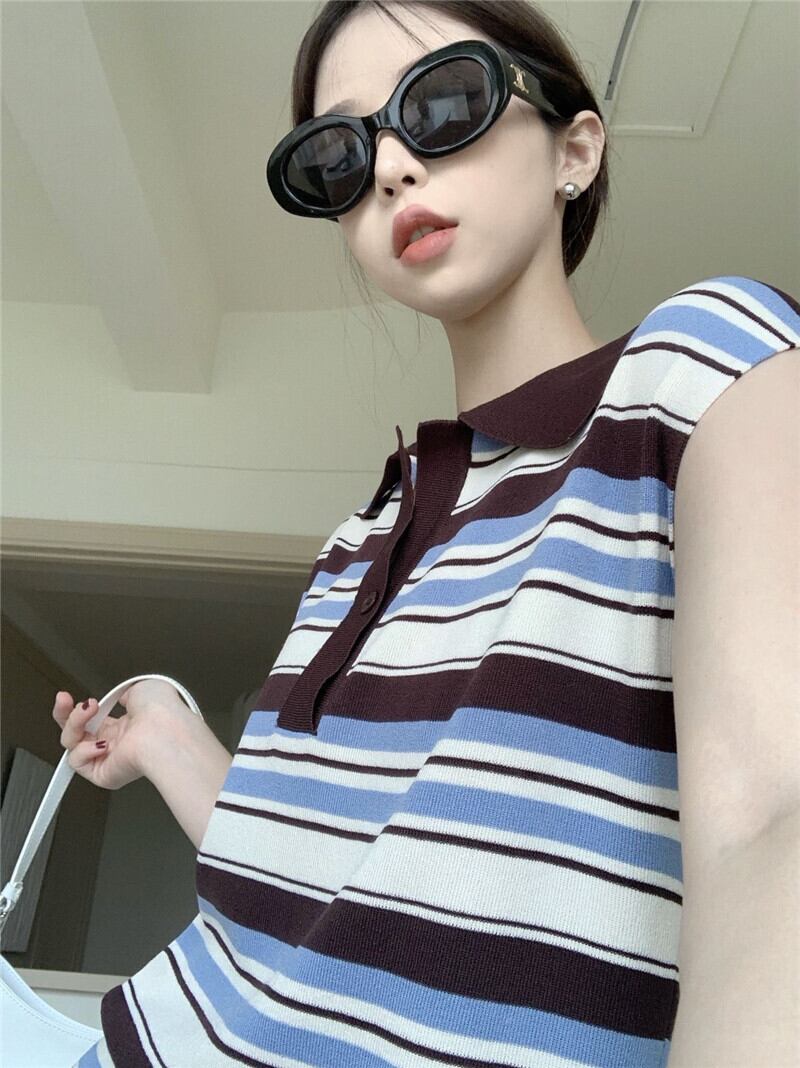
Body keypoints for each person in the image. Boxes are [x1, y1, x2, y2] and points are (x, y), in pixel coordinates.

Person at [55, 2, 799, 1065]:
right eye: (338, 156)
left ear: (575, 151)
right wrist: (169, 740)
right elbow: (312, 888)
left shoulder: (700, 368)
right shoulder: (356, 540)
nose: (392, 169)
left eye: (444, 103)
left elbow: (774, 829)